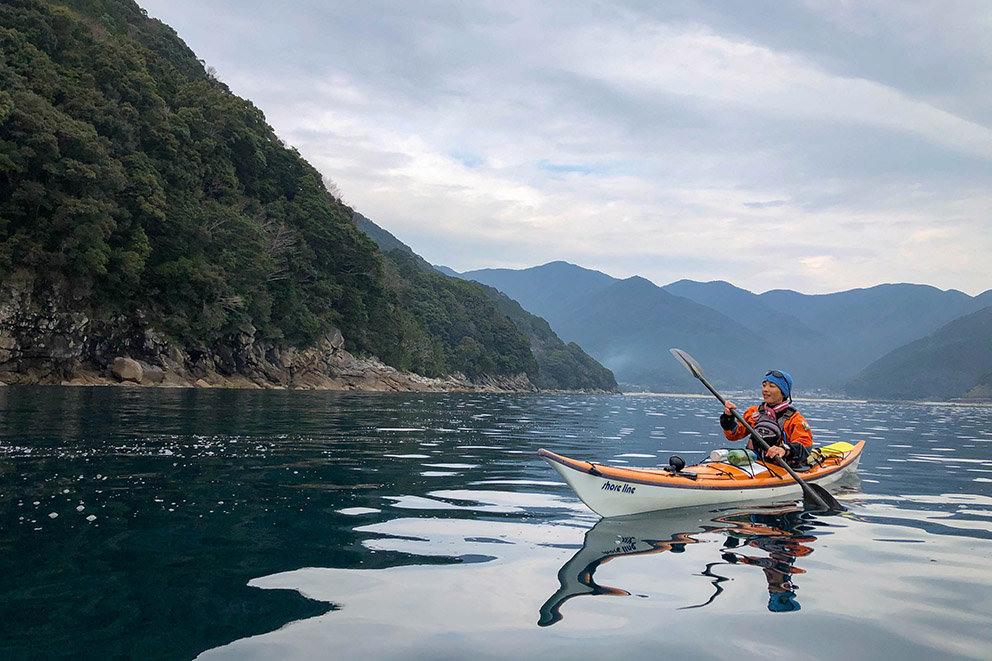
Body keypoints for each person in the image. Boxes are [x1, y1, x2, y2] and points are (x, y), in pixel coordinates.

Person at [720, 370, 812, 466]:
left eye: (771, 386)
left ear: (783, 392)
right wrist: (728, 417)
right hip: (754, 463)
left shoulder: (795, 419)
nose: (765, 389)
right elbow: (733, 434)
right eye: (764, 385)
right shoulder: (753, 412)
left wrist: (784, 449)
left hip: (780, 467)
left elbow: (806, 447)